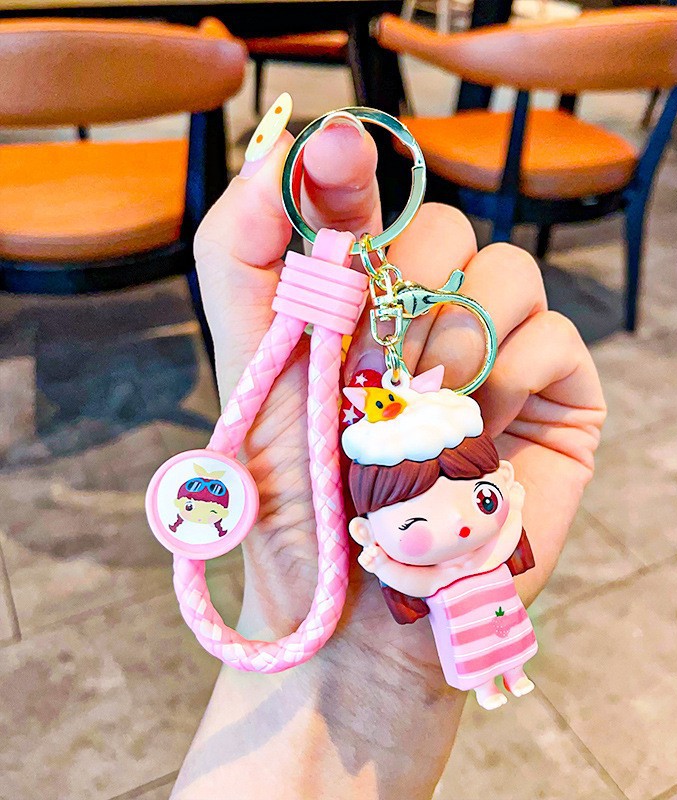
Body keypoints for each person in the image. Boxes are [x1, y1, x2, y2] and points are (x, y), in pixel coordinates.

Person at [171, 101, 606, 799]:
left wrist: (382, 678)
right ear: (371, 530)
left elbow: (499, 549)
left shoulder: (472, 535)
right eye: (416, 520)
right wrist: (355, 660)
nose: (455, 526)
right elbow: (404, 594)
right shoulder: (390, 555)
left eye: (480, 498)